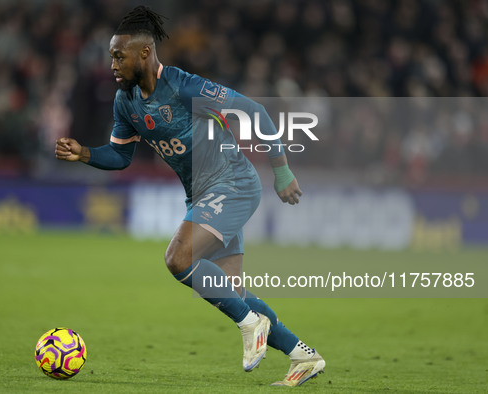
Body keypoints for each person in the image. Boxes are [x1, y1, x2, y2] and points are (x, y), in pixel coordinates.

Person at [55, 6, 325, 387]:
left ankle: (251, 325)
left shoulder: (184, 87)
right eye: (111, 56)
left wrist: (281, 171)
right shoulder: (126, 102)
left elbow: (255, 111)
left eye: (119, 55)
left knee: (178, 258)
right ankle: (303, 355)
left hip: (232, 183)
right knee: (230, 291)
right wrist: (83, 153)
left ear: (144, 53)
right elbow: (120, 156)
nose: (112, 64)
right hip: (201, 194)